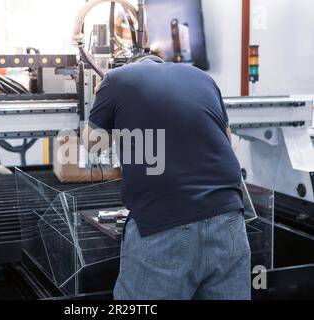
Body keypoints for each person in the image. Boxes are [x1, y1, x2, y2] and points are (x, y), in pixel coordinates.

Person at [83, 56, 251, 300]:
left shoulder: (115, 79)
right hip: (229, 219)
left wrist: (105, 105)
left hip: (164, 225)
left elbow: (93, 144)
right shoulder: (202, 77)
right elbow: (228, 139)